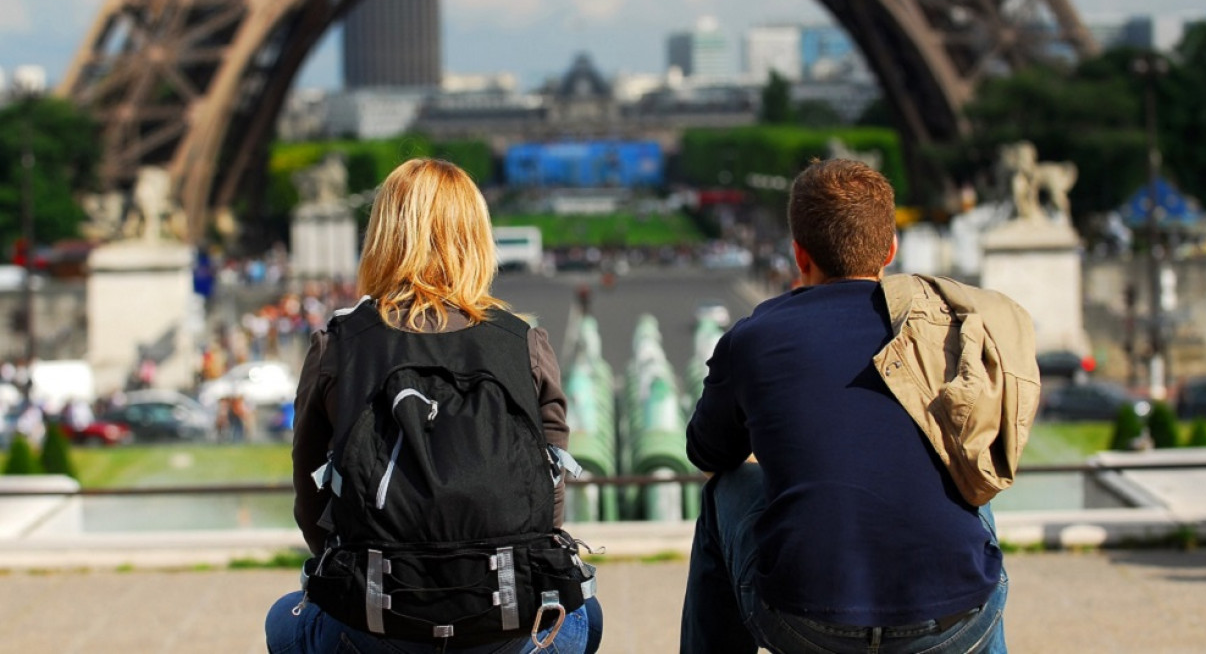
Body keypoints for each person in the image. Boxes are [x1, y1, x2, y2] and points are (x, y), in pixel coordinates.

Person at [681, 159, 1040, 654]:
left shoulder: (755, 336)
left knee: (727, 491)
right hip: (955, 624)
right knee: (970, 487)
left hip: (806, 621)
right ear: (891, 249)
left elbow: (707, 454)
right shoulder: (937, 329)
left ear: (798, 255)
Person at [267, 158, 602, 654]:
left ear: (383, 235)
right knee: (585, 615)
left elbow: (310, 501)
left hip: (376, 621)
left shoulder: (337, 345)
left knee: (283, 621)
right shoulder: (525, 343)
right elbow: (547, 503)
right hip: (507, 623)